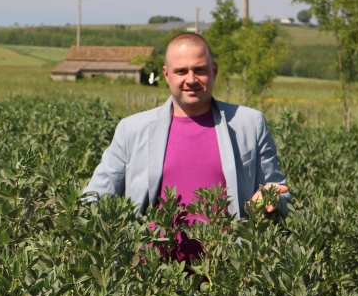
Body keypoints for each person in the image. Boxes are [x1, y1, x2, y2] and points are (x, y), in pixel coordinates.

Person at [83, 32, 290, 220]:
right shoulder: (132, 130)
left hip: (228, 260)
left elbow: (280, 192)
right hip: (149, 261)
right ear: (166, 75)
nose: (191, 79)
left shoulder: (250, 124)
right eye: (181, 71)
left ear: (214, 70)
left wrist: (272, 200)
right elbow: (94, 198)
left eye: (199, 70)